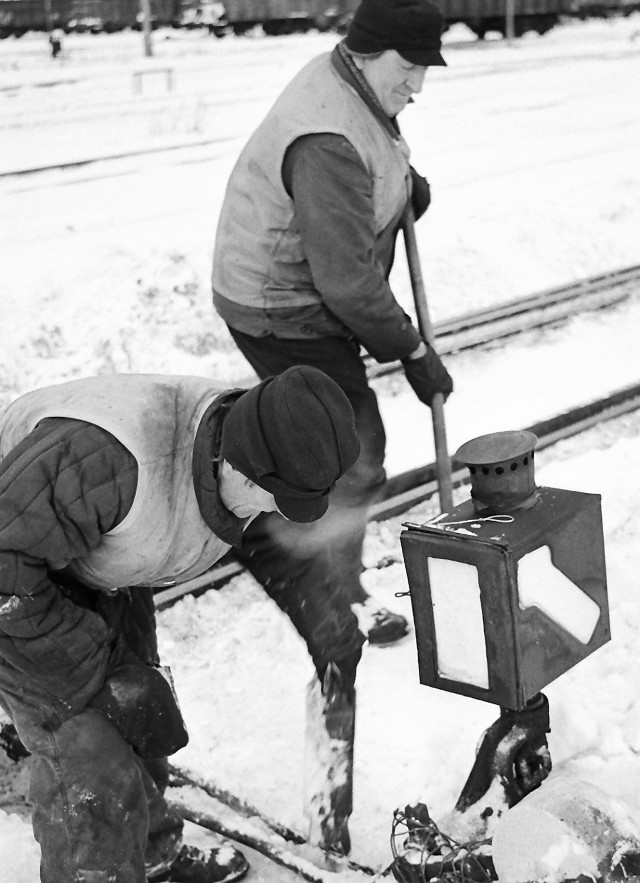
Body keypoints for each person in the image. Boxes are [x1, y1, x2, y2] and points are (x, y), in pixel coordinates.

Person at [0, 367, 361, 883]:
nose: (273, 513)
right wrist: (94, 670)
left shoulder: (256, 452)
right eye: (274, 499)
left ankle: (154, 858)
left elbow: (282, 550)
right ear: (243, 469)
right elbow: (6, 564)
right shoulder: (109, 458)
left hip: (98, 559)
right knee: (88, 762)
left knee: (139, 711)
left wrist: (331, 630)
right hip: (15, 578)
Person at [211, 0, 454, 647]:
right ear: (370, 52)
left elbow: (374, 160)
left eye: (427, 68)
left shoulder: (349, 82)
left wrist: (404, 186)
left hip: (289, 289)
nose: (419, 85)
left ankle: (327, 567)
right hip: (280, 305)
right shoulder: (329, 142)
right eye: (410, 66)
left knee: (341, 444)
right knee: (353, 452)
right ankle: (330, 593)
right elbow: (348, 283)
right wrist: (412, 350)